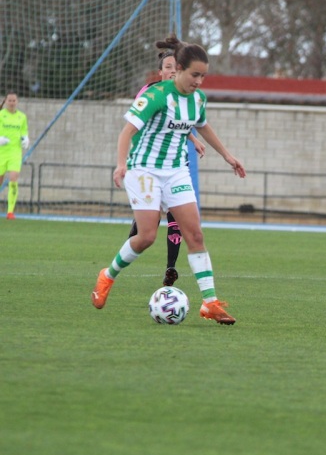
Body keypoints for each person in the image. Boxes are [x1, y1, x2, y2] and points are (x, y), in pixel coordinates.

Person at [91, 34, 246, 325]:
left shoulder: (198, 98)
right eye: (195, 75)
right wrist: (121, 164)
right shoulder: (156, 95)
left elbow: (202, 126)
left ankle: (210, 303)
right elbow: (127, 132)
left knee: (195, 235)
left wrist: (227, 155)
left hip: (176, 170)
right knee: (147, 236)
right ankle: (107, 276)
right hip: (144, 170)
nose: (199, 81)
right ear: (180, 70)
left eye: (203, 76)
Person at [128, 49, 207, 287]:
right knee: (147, 230)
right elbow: (139, 126)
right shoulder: (150, 93)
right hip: (148, 167)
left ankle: (170, 268)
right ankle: (122, 260)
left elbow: (183, 124)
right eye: (168, 67)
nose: (172, 71)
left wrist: (193, 140)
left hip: (175, 165)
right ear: (161, 71)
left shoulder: (188, 96)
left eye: (175, 66)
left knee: (177, 219)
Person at [0, 92, 30, 220]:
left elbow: (24, 131)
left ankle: (10, 212)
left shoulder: (22, 117)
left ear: (17, 102)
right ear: (6, 101)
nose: (12, 103)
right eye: (10, 100)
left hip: (15, 152)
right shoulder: (1, 115)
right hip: (2, 151)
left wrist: (26, 139)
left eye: (14, 100)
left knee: (13, 177)